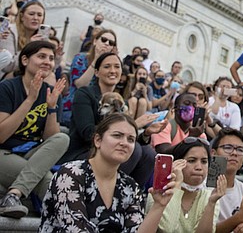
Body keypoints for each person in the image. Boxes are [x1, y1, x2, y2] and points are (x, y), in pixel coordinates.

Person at [40, 113, 174, 232]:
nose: (124, 143)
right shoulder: (71, 174)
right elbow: (75, 228)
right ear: (98, 140)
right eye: (117, 136)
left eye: (131, 139)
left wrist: (159, 205)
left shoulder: (130, 187)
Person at [61, 50, 161, 187]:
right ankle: (105, 193)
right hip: (84, 151)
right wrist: (132, 126)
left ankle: (129, 196)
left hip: (111, 149)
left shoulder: (120, 100)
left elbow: (124, 137)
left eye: (117, 66)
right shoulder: (84, 94)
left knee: (149, 153)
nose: (113, 70)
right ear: (96, 72)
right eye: (107, 66)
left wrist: (146, 133)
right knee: (134, 149)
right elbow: (88, 133)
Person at [0, 40, 69, 218]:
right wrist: (30, 99)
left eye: (51, 58)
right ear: (24, 60)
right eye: (41, 56)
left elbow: (51, 140)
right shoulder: (7, 88)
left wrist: (52, 107)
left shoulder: (52, 93)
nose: (47, 61)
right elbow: (1, 136)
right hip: (4, 151)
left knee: (63, 138)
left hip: (31, 153)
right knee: (46, 179)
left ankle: (13, 194)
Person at [145, 137, 227, 232]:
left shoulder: (210, 195)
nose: (199, 167)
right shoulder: (158, 193)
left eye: (204, 161)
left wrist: (211, 203)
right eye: (192, 161)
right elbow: (167, 229)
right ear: (177, 163)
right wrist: (177, 184)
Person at [63, 27, 118, 126]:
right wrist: (96, 59)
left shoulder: (110, 66)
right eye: (104, 40)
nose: (106, 44)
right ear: (95, 41)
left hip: (96, 109)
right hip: (73, 106)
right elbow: (80, 85)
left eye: (111, 43)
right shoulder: (80, 58)